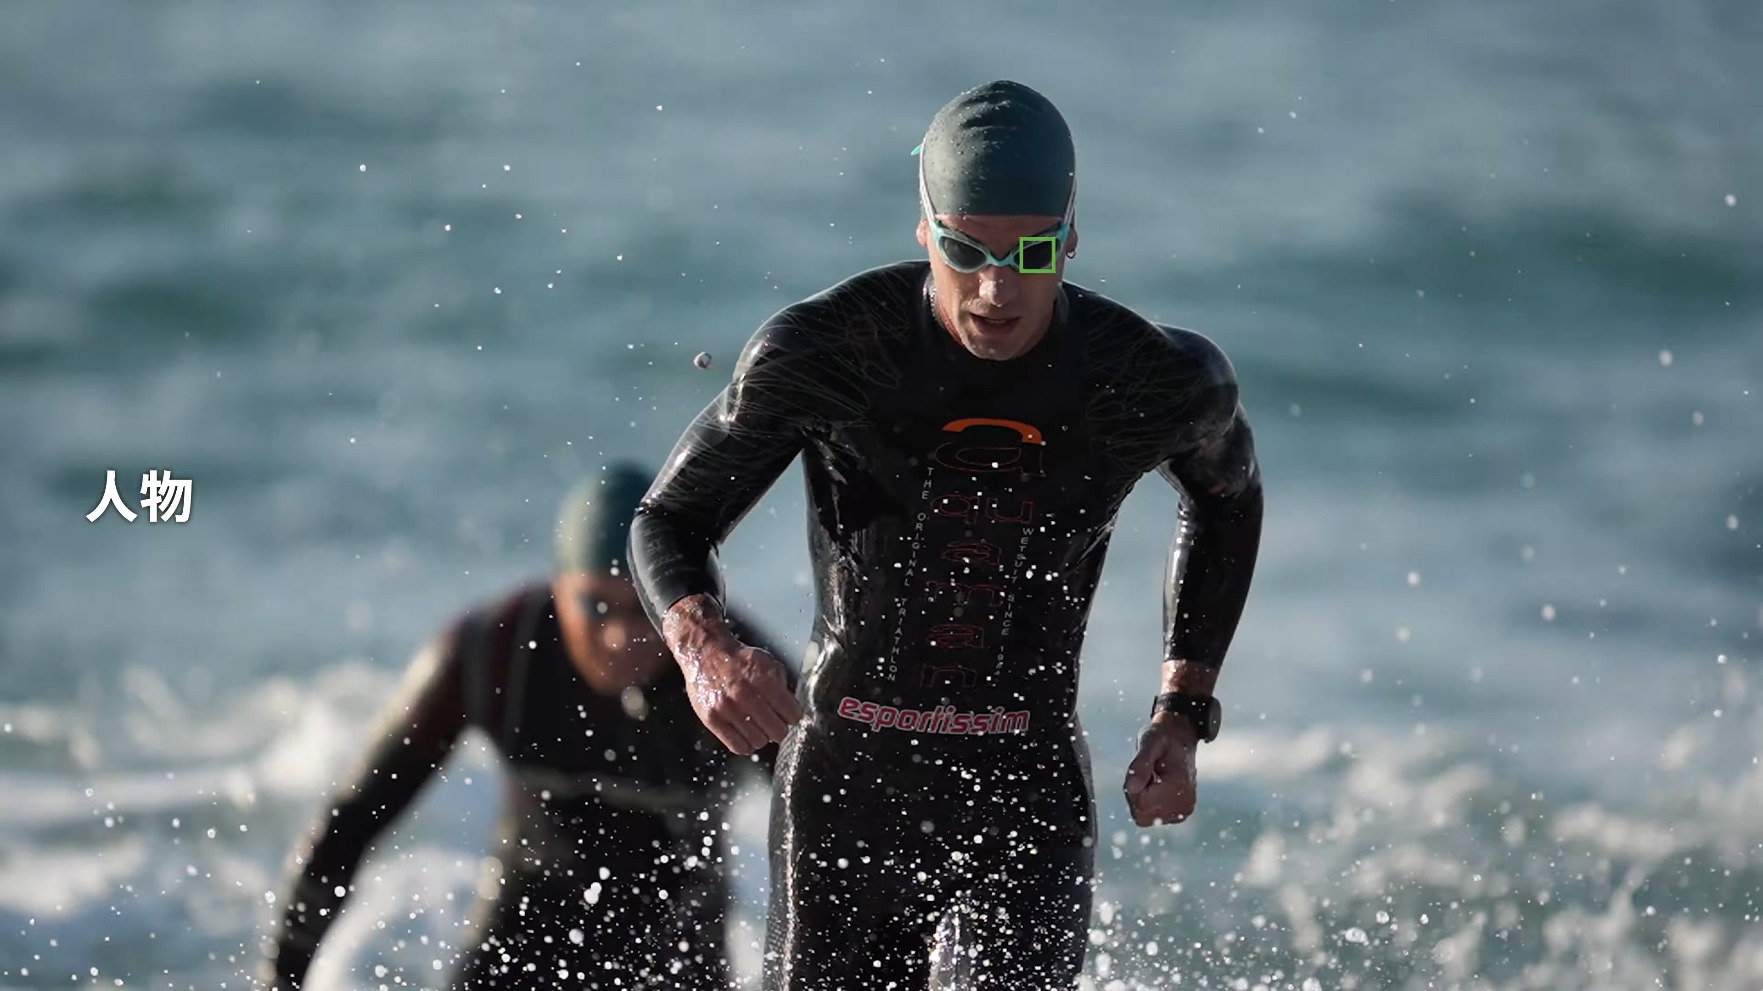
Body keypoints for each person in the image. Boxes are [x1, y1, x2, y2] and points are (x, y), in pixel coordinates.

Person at [627, 79, 1266, 991]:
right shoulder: (830, 353)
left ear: (1070, 238)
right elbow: (669, 517)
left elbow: (1227, 497)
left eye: (1030, 253)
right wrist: (704, 649)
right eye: (967, 251)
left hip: (1026, 795)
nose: (997, 289)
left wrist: (1182, 707)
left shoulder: (1148, 379)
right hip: (848, 792)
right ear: (925, 230)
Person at [258, 463, 789, 990]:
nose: (621, 636)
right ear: (558, 589)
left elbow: (829, 824)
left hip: (676, 942)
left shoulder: (734, 672)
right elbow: (351, 821)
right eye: (597, 606)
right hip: (522, 928)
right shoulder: (494, 652)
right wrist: (280, 981)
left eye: (645, 611)